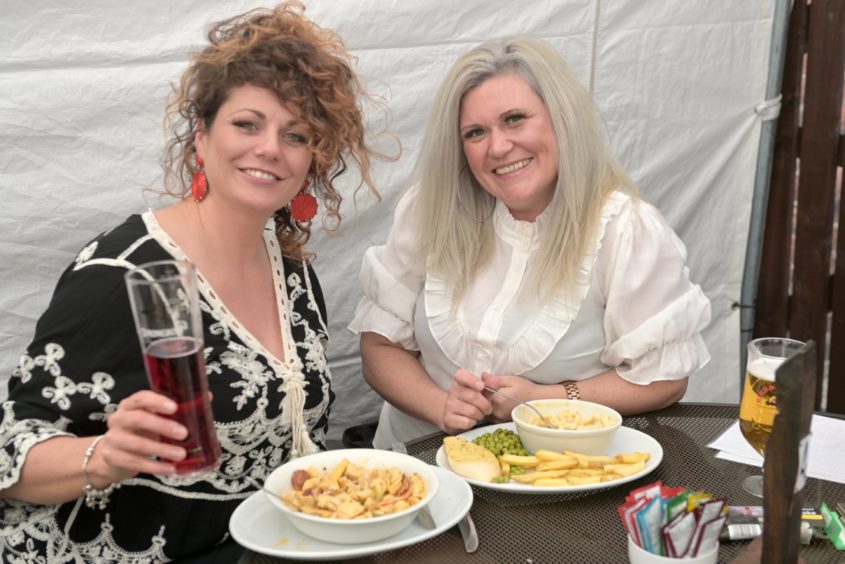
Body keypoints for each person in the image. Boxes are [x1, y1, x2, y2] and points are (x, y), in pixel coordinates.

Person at [0, 2, 382, 561]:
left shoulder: (293, 272)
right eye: (247, 124)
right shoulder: (124, 272)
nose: (270, 148)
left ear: (311, 162)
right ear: (201, 138)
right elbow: (11, 448)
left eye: (295, 135)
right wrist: (103, 455)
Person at [349, 36, 712, 449]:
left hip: (553, 482)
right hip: (415, 476)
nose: (499, 147)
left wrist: (544, 400)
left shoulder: (625, 229)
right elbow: (379, 346)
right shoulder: (428, 209)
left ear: (561, 118)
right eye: (475, 132)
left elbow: (665, 379)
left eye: (515, 119)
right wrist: (440, 406)